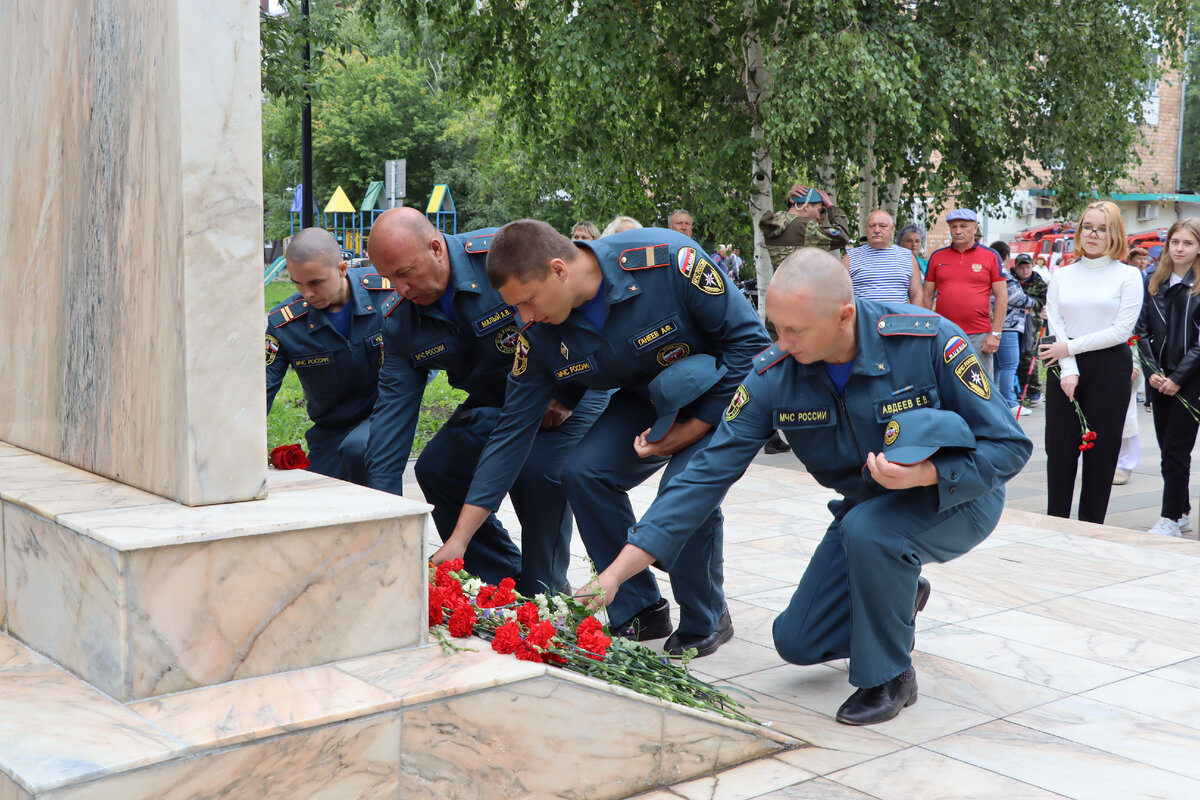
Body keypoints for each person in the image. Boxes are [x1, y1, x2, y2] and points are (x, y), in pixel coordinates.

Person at [579, 248, 1031, 725]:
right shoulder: (774, 376)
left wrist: (928, 474)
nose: (782, 341)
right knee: (798, 641)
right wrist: (613, 576)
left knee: (872, 535)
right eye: (776, 327)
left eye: (795, 330)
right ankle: (898, 592)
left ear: (844, 315)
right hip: (869, 507)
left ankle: (890, 677)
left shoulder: (927, 340)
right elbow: (705, 476)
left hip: (958, 497)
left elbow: (1008, 445)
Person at [431, 220, 770, 656]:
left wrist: (694, 427)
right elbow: (513, 429)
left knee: (684, 488)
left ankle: (707, 616)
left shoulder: (665, 262)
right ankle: (639, 606)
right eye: (515, 307)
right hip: (647, 398)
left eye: (528, 300)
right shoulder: (537, 333)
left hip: (722, 391)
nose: (524, 317)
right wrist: (459, 540)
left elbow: (750, 347)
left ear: (559, 270)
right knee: (583, 471)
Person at [364, 208, 606, 596]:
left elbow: (571, 301)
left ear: (436, 248)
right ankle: (501, 580)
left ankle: (545, 589)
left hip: (572, 385)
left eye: (405, 272)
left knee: (538, 467)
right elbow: (391, 420)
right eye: (390, 278)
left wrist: (566, 393)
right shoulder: (400, 321)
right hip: (496, 401)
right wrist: (384, 520)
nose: (400, 289)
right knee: (436, 467)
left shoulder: (502, 255)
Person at [1038, 201, 1142, 524]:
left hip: (1109, 369)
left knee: (1100, 457)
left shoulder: (1128, 275)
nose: (1093, 234)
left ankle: (1091, 529)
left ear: (1115, 233)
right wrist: (1068, 366)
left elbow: (1121, 331)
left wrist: (1069, 349)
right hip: (1063, 368)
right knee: (1059, 453)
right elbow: (1055, 321)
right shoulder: (1062, 274)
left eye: (1102, 228)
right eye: (1087, 227)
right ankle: (1055, 525)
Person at [266, 227, 393, 484]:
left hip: (387, 413)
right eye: (297, 283)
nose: (307, 293)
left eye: (315, 282)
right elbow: (262, 390)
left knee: (360, 453)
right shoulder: (286, 324)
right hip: (330, 431)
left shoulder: (385, 293)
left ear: (342, 269)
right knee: (318, 499)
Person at [1133, 217, 1200, 536]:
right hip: (1160, 380)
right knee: (1166, 449)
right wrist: (1154, 373)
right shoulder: (1154, 282)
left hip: (1192, 382)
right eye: (1175, 242)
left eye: (1188, 243)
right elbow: (1142, 331)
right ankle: (1183, 509)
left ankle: (1170, 517)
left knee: (1176, 449)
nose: (1180, 248)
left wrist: (1179, 377)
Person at [923, 209, 1007, 379]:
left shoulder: (991, 256)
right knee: (945, 383)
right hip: (944, 333)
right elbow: (926, 296)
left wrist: (996, 334)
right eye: (953, 227)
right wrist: (926, 331)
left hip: (979, 335)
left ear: (975, 228)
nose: (958, 231)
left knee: (981, 388)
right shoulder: (937, 257)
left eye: (964, 226)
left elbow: (1002, 297)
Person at [843, 210, 923, 305]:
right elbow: (839, 294)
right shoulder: (851, 257)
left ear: (892, 228)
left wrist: (916, 318)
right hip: (863, 319)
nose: (877, 230)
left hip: (898, 318)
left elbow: (917, 295)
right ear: (866, 228)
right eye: (872, 226)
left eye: (882, 226)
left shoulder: (908, 257)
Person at [998, 258, 1036, 415]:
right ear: (1006, 258)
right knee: (1009, 365)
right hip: (1008, 326)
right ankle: (1009, 402)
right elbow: (1017, 297)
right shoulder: (1003, 275)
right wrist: (1031, 303)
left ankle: (996, 402)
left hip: (998, 326)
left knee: (997, 367)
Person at [1012, 254, 1048, 405]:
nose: (1025, 270)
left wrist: (1032, 305)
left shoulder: (1039, 283)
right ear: (1016, 268)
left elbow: (1046, 301)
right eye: (1022, 267)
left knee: (1029, 354)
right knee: (1013, 356)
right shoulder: (1010, 280)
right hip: (1012, 322)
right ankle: (1015, 389)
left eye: (1027, 267)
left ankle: (1032, 390)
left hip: (1032, 323)